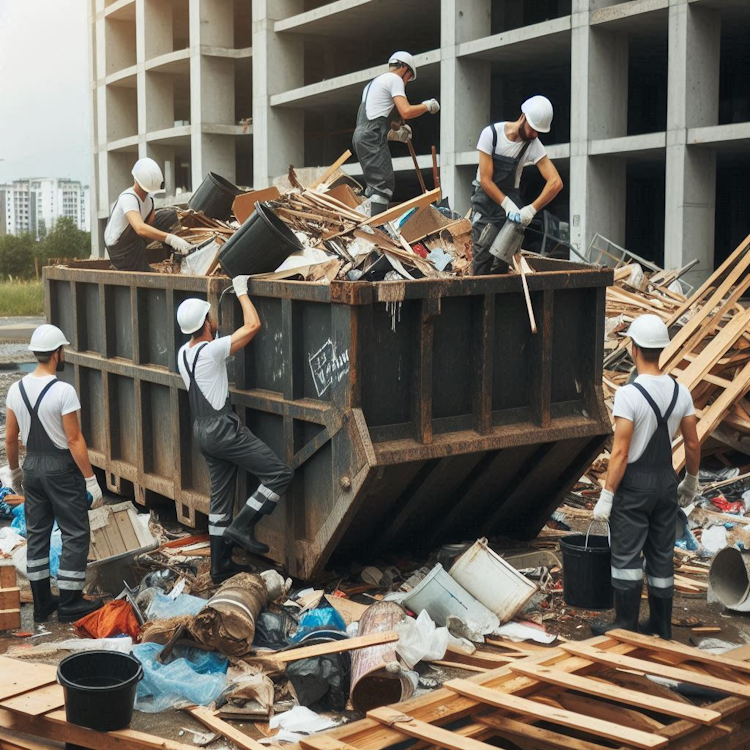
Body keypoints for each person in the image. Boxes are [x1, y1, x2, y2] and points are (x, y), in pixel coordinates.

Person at [176, 277, 294, 584]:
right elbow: (252, 326)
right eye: (211, 318)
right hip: (222, 430)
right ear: (205, 322)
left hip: (201, 432)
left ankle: (220, 566)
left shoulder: (183, 354)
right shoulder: (211, 351)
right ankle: (242, 526)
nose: (215, 321)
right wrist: (242, 291)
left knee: (220, 499)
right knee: (279, 474)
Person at [591, 314, 701, 639]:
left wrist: (607, 496)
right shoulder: (681, 392)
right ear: (661, 350)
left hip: (635, 485)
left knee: (626, 554)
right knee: (661, 555)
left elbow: (621, 453)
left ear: (635, 349)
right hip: (667, 482)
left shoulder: (629, 395)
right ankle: (660, 625)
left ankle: (625, 624)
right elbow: (692, 442)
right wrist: (691, 481)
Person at [5, 325, 105, 623]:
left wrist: (14, 472)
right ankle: (71, 600)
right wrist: (90, 480)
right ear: (57, 353)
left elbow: (11, 438)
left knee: (38, 534)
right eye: (64, 351)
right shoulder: (63, 391)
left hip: (32, 467)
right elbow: (74, 440)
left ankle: (42, 603)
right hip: (61, 469)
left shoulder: (15, 389)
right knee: (75, 531)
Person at [470, 96, 563, 275]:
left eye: (538, 132)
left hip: (510, 204)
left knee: (502, 260)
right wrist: (506, 204)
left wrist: (531, 209)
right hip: (486, 201)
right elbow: (485, 180)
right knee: (482, 257)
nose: (534, 135)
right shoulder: (491, 134)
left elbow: (555, 182)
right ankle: (476, 301)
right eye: (532, 129)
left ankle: (498, 302)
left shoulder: (533, 144)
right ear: (523, 117)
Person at [352, 51, 440, 216]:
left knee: (374, 186)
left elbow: (375, 119)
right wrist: (427, 106)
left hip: (362, 135)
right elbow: (406, 112)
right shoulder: (394, 79)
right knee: (383, 186)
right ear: (404, 68)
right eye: (408, 78)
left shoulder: (374, 83)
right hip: (371, 136)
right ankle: (374, 230)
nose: (406, 82)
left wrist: (395, 132)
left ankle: (362, 218)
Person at [104, 157, 191, 271]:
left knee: (169, 216)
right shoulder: (128, 198)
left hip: (135, 240)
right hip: (121, 252)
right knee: (148, 276)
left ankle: (175, 257)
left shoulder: (149, 201)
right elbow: (140, 228)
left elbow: (149, 225)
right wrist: (170, 238)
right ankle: (126, 266)